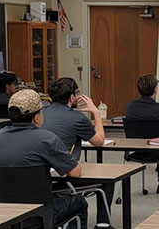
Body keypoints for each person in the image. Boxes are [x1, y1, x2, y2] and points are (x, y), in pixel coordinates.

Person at [0, 89, 88, 229]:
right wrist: (69, 158)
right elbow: (74, 172)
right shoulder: (47, 139)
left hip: (3, 213)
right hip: (38, 213)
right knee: (79, 202)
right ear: (37, 117)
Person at [42, 78, 112, 229]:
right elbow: (99, 141)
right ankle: (102, 225)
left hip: (40, 178)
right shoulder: (77, 118)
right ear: (72, 97)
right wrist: (96, 113)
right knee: (107, 180)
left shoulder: (40, 114)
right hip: (63, 174)